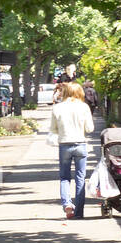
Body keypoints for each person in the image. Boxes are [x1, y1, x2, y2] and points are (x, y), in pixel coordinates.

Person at [48, 81, 94, 219]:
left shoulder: (57, 108)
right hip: (80, 144)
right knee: (80, 178)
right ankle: (79, 212)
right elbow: (89, 129)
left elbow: (53, 129)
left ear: (65, 92)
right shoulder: (84, 107)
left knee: (64, 177)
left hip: (64, 145)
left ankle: (67, 204)